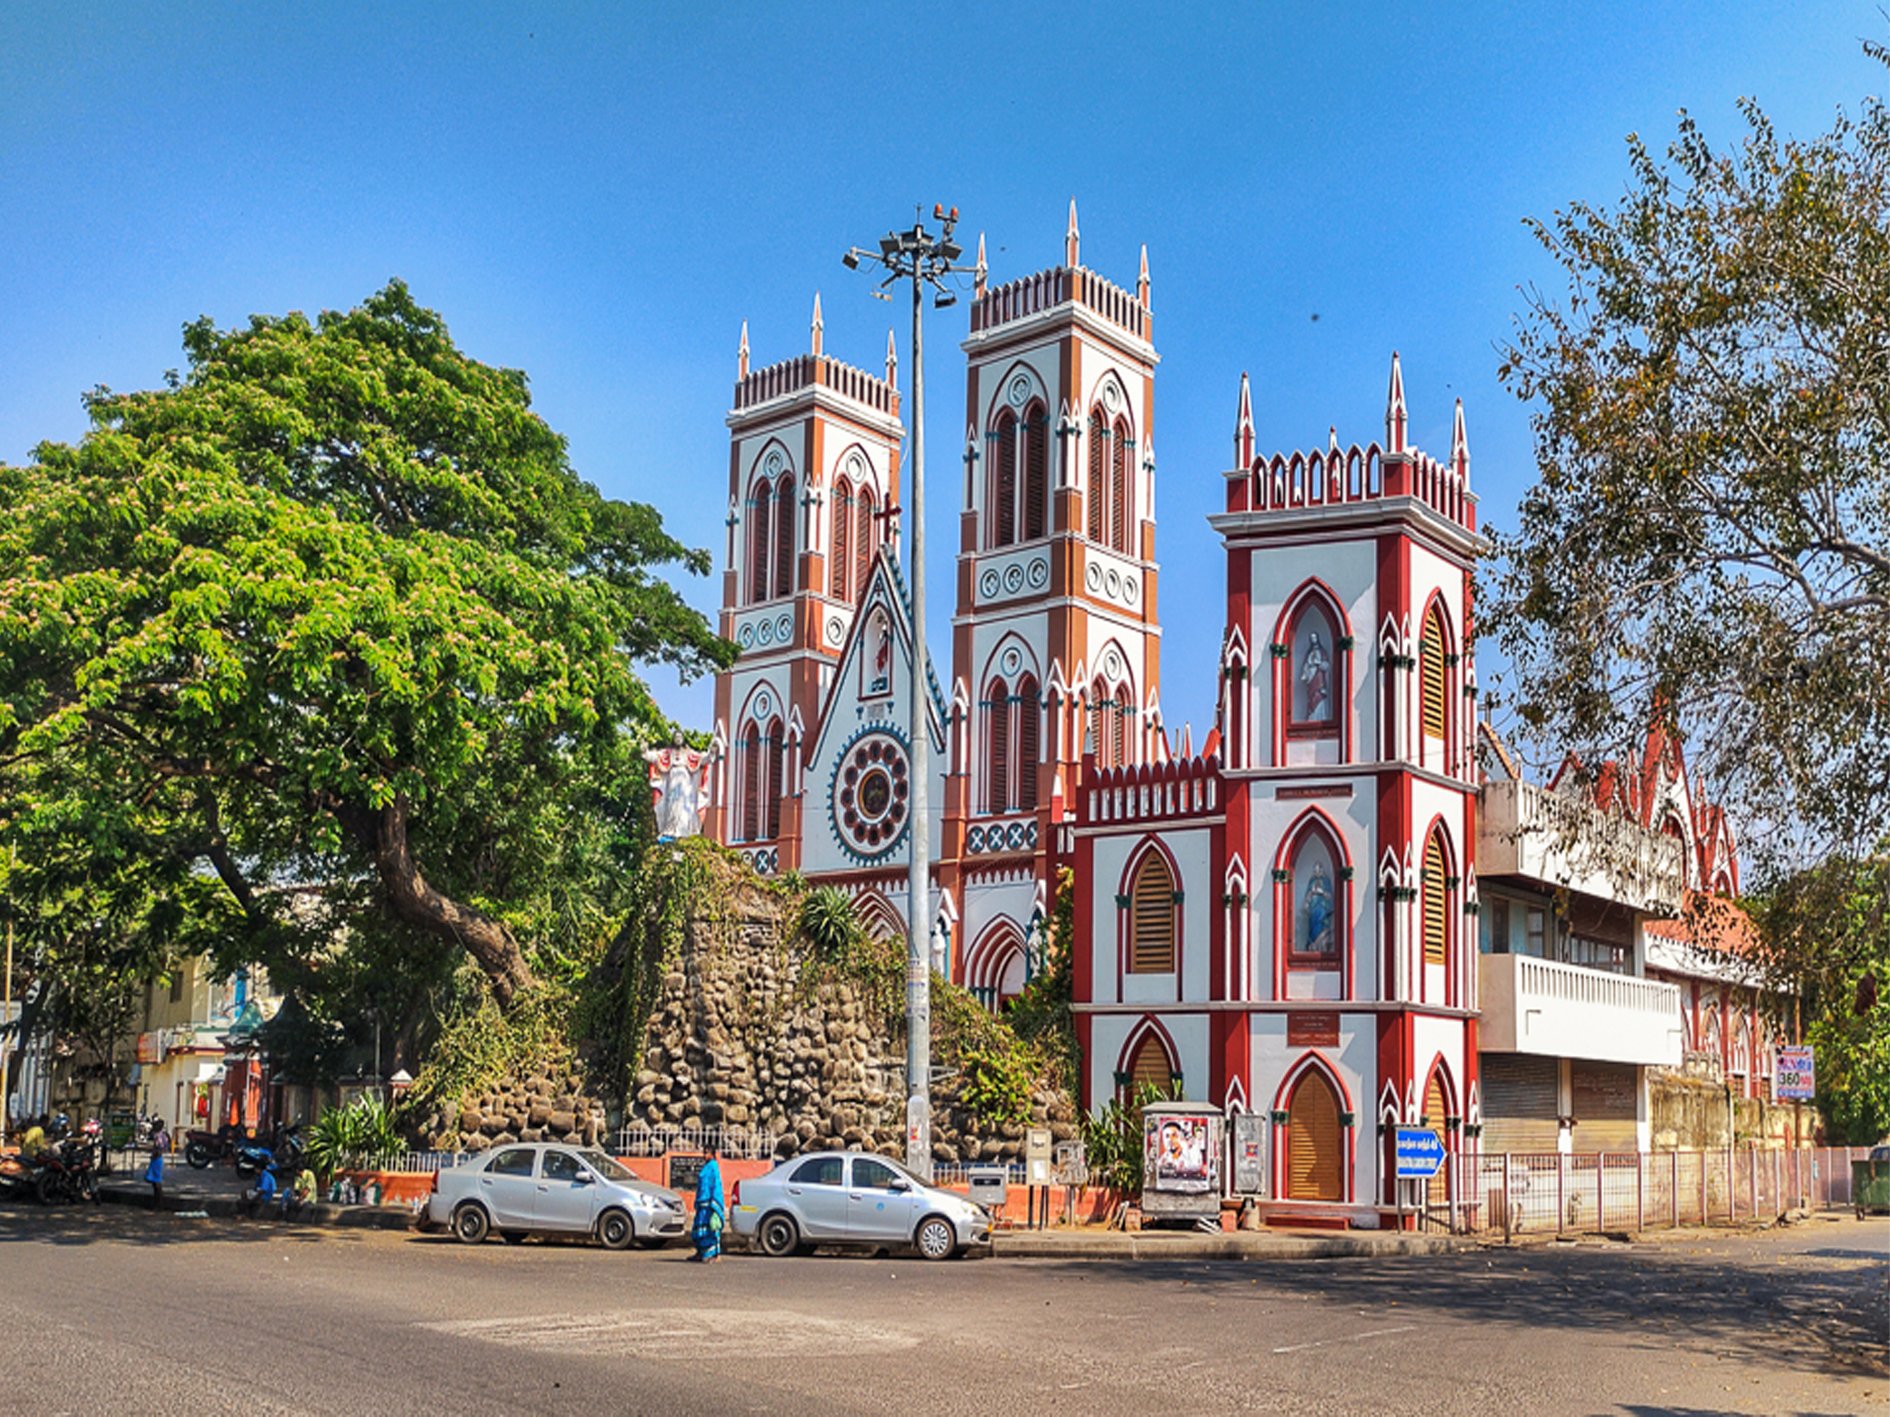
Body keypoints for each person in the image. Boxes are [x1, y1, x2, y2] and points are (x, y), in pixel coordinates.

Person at [690, 1152, 725, 1263]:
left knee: (712, 1230)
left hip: (709, 1204)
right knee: (699, 1230)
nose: (704, 1155)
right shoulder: (705, 1167)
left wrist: (715, 1204)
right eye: (704, 1153)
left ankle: (715, 1255)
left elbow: (716, 1185)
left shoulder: (714, 1167)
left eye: (707, 1153)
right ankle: (700, 1252)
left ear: (713, 1154)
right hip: (702, 1203)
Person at [145, 1119, 170, 1209]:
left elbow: (158, 1147)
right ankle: (157, 1203)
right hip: (158, 1159)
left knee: (156, 1183)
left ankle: (158, 1203)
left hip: (156, 1158)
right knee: (156, 1182)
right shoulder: (163, 1135)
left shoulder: (157, 1136)